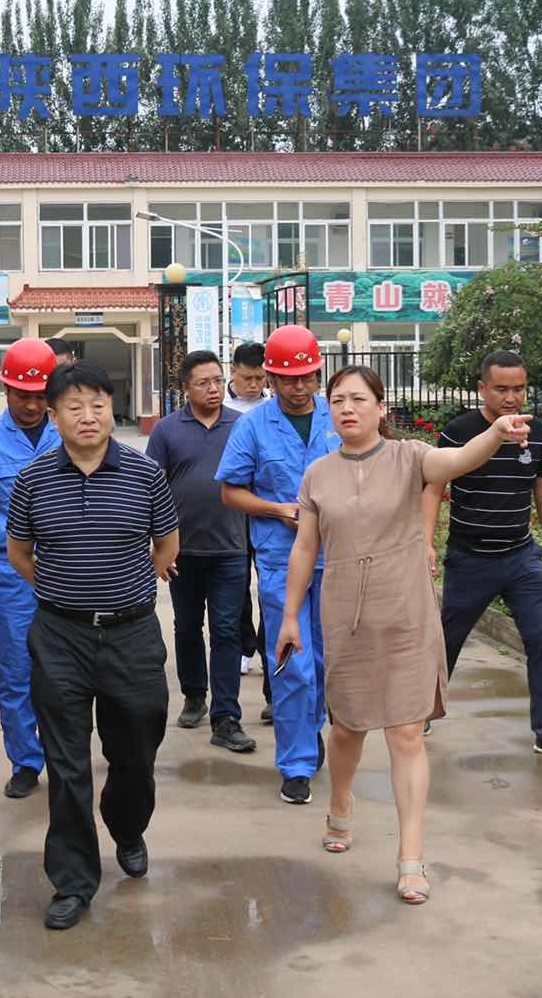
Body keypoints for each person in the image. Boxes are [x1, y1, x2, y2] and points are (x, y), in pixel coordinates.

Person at [278, 364, 534, 904]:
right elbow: (304, 548)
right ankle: (341, 803)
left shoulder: (410, 457)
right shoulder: (318, 475)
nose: (347, 409)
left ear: (380, 408)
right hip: (345, 613)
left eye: (358, 399)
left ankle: (411, 858)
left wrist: (496, 432)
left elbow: (458, 461)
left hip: (406, 612)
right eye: (338, 400)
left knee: (406, 733)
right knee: (347, 727)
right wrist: (290, 616)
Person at [6, 362, 180, 931]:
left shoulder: (145, 473)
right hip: (60, 636)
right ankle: (74, 881)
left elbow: (166, 544)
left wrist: (126, 587)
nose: (88, 416)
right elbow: (19, 553)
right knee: (66, 763)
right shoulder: (33, 479)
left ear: (111, 410)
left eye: (98, 404)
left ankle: (126, 825)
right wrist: (65, 592)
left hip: (132, 632)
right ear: (53, 416)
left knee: (138, 744)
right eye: (74, 407)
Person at [422, 350, 542, 758]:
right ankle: (421, 710)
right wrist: (425, 542)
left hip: (522, 558)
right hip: (470, 559)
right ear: (483, 388)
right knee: (446, 640)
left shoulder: (537, 432)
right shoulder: (459, 431)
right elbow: (433, 487)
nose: (511, 397)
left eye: (518, 389)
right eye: (501, 389)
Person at [215, 325, 339, 805]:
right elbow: (231, 491)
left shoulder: (337, 416)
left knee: (326, 662)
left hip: (338, 560)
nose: (298, 387)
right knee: (293, 661)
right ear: (271, 377)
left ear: (318, 374)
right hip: (280, 561)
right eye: (288, 379)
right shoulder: (253, 426)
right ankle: (295, 763)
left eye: (306, 377)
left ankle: (311, 729)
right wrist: (276, 509)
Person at [147, 351, 255, 753]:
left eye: (217, 381)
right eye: (203, 383)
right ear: (185, 389)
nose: (213, 388)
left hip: (231, 548)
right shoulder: (166, 430)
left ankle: (226, 717)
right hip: (183, 550)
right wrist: (159, 545)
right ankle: (194, 695)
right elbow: (153, 487)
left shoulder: (242, 425)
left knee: (226, 630)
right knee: (187, 627)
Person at [0, 338, 61, 799]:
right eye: (22, 395)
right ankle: (25, 760)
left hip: (69, 569)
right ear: (4, 389)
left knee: (66, 670)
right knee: (17, 669)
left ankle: (64, 755)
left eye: (40, 396)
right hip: (9, 573)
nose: (31, 405)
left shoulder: (70, 433)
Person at [223, 341, 272, 717]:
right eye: (247, 378)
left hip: (270, 512)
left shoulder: (275, 406)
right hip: (232, 511)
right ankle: (244, 645)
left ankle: (270, 659)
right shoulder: (221, 408)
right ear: (233, 372)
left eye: (260, 378)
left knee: (270, 588)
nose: (254, 385)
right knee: (236, 584)